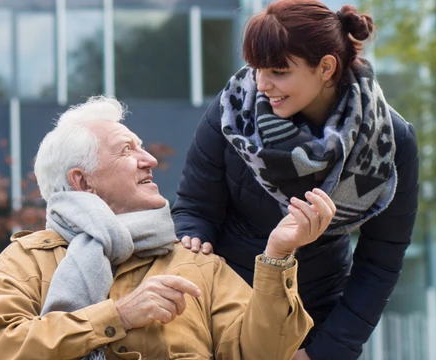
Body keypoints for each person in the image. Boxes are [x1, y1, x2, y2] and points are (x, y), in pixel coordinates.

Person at [0, 95, 337, 359]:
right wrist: (120, 315)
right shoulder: (24, 261)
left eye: (142, 147)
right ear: (82, 181)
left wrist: (277, 256)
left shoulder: (197, 263)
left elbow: (262, 354)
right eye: (127, 150)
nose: (150, 159)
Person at [172, 1, 419, 359]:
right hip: (219, 310)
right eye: (256, 68)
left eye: (278, 71)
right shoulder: (231, 111)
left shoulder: (390, 140)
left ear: (326, 67)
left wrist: (324, 352)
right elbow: (195, 207)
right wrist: (192, 242)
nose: (261, 83)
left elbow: (380, 262)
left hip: (311, 317)